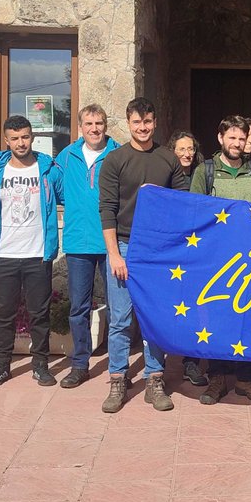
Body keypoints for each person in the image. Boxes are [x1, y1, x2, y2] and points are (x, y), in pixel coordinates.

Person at [98, 97, 189, 413]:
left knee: (155, 318)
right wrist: (114, 255)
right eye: (137, 122)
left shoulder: (168, 159)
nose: (143, 127)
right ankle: (118, 379)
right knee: (121, 318)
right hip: (123, 246)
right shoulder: (114, 161)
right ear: (128, 123)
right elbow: (107, 210)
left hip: (159, 252)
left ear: (155, 122)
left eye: (147, 122)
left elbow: (182, 206)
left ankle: (154, 379)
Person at [190, 116, 251, 404]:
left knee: (248, 319)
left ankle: (246, 380)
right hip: (216, 261)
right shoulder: (206, 171)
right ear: (221, 138)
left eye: (242, 138)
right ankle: (216, 381)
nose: (237, 143)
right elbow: (195, 212)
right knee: (216, 319)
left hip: (250, 262)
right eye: (232, 138)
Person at [0, 115, 62, 389]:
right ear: (6, 140)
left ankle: (40, 366)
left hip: (38, 254)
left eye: (25, 137)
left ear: (32, 136)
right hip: (5, 254)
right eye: (14, 138)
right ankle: (1, 367)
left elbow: (69, 196)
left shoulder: (48, 169)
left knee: (40, 313)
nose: (21, 142)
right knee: (4, 314)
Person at [49, 105, 120, 389]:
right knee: (79, 308)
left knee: (118, 308)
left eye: (99, 123)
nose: (94, 128)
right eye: (89, 123)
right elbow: (50, 182)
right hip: (79, 242)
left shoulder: (118, 154)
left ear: (105, 125)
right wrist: (0, 161)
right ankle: (79, 364)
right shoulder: (66, 157)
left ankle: (119, 365)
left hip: (113, 243)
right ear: (80, 127)